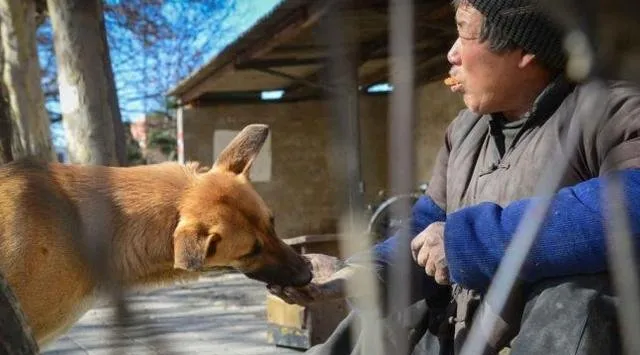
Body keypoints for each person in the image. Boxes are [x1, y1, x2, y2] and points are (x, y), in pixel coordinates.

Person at [268, 0, 640, 353]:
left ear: (525, 50)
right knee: (387, 308)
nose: (452, 53)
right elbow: (428, 226)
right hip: (459, 333)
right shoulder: (465, 131)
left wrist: (468, 242)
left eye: (464, 32)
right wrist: (359, 270)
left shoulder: (610, 113)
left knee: (578, 297)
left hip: (535, 336)